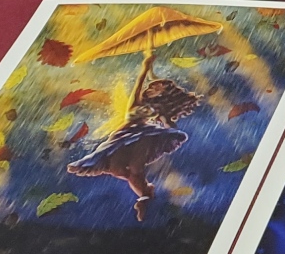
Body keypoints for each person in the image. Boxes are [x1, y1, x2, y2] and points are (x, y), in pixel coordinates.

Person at [66, 78, 200, 222]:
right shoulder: (137, 102)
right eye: (151, 87)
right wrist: (146, 68)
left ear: (164, 91)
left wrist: (168, 129)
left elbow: (168, 124)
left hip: (144, 136)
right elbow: (138, 85)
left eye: (156, 88)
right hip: (122, 138)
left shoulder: (157, 110)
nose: (150, 89)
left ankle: (145, 197)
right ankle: (146, 194)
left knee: (136, 168)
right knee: (117, 169)